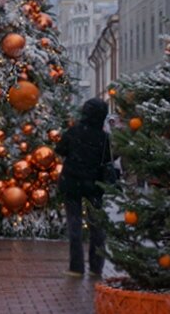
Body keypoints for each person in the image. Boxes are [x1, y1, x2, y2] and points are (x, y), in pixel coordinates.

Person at [55, 97, 112, 278]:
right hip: (94, 185)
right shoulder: (104, 138)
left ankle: (76, 267)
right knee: (97, 227)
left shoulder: (74, 132)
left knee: (75, 225)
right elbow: (108, 160)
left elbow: (60, 150)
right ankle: (96, 268)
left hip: (72, 184)